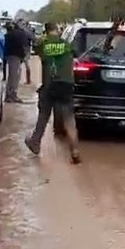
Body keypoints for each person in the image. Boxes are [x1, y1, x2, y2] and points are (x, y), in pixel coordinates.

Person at [25, 22, 81, 164]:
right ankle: (74, 151)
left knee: (44, 115)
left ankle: (35, 143)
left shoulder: (43, 46)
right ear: (57, 30)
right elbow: (76, 53)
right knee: (69, 120)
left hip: (50, 86)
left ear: (46, 32)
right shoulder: (67, 44)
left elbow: (35, 45)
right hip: (66, 85)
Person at [4, 22, 27, 103]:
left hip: (12, 56)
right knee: (14, 76)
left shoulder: (9, 34)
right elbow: (25, 43)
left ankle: (10, 94)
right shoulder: (17, 34)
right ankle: (12, 95)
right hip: (15, 56)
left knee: (13, 76)